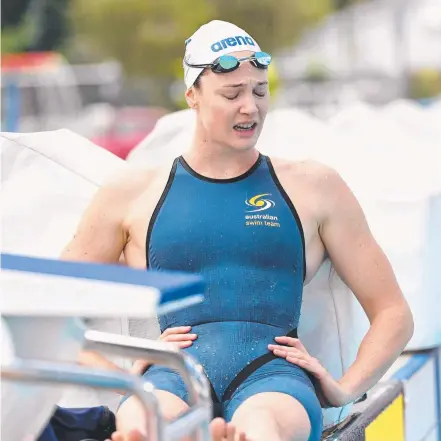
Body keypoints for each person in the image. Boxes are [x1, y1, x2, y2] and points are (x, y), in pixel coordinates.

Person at [62, 20, 414, 441]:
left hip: (272, 379)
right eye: (232, 94)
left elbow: (393, 312)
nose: (251, 107)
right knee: (146, 426)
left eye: (260, 91)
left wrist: (345, 389)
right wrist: (123, 373)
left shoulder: (314, 187)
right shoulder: (130, 194)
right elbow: (49, 312)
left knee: (259, 430)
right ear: (192, 95)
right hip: (171, 375)